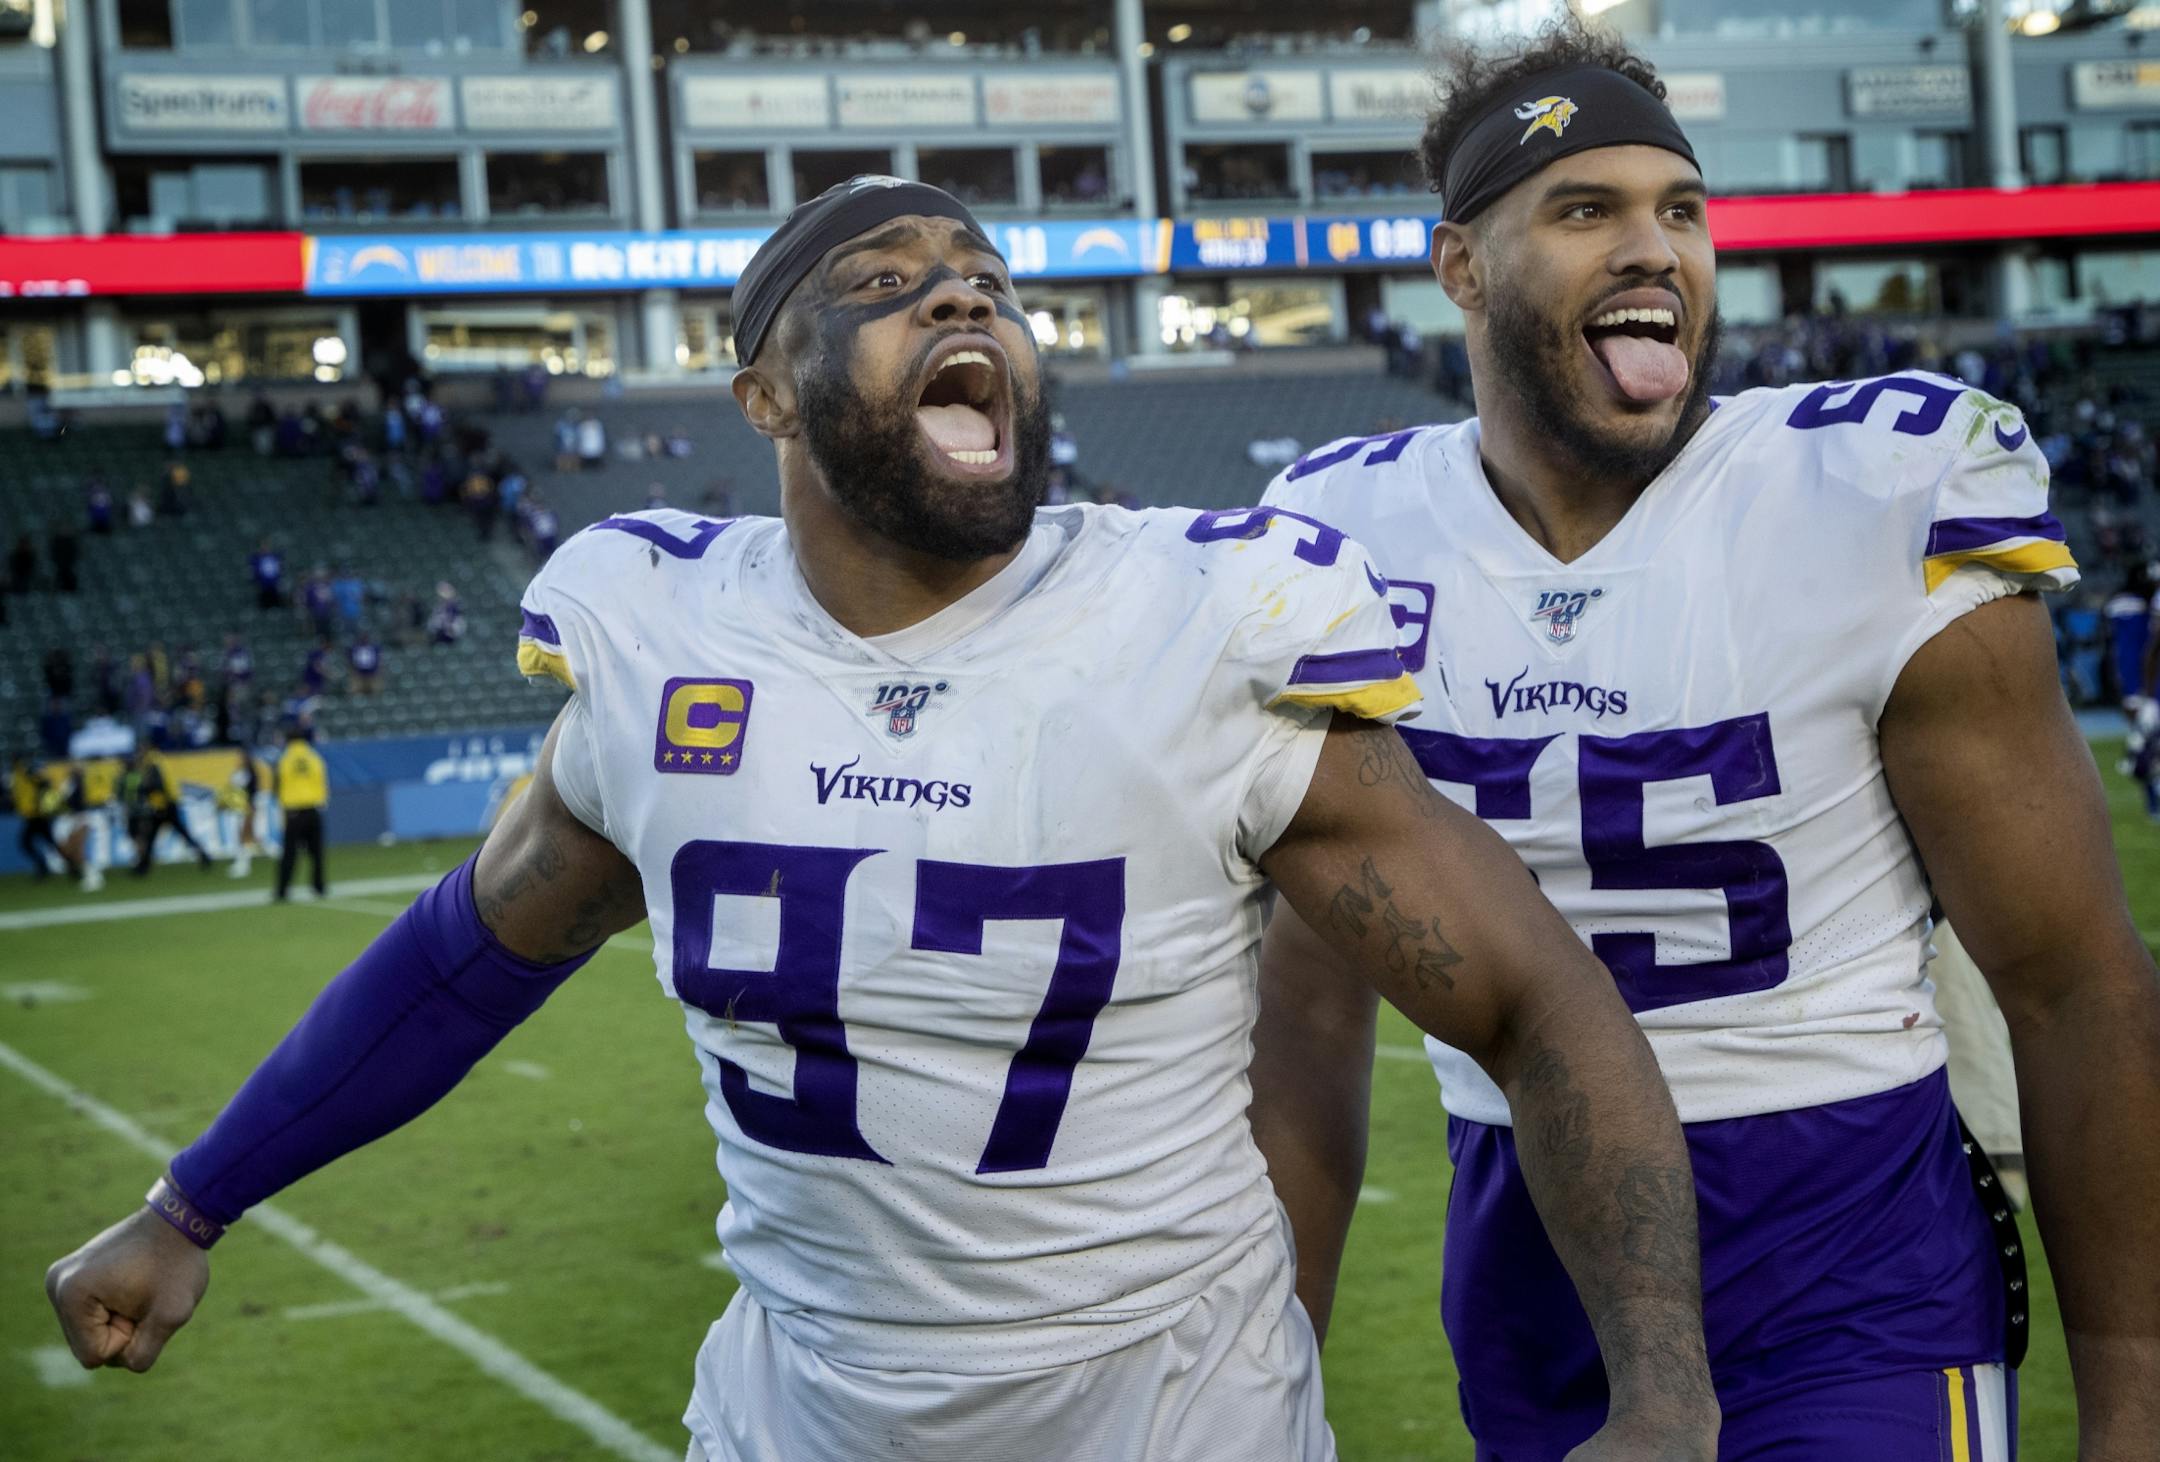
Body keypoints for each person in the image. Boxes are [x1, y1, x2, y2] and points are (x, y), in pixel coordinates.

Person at [44, 179, 1718, 1462]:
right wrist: (192, 1205)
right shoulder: (666, 645)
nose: (961, 299)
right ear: (765, 395)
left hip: (1168, 1410)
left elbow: (1537, 998)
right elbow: (460, 958)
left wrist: (1662, 1398)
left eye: (987, 285)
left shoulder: (1197, 626)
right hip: (804, 1410)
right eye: (887, 289)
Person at [1253, 22, 2160, 1460]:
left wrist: (2131, 1399)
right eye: (1584, 209)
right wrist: (1270, 1369)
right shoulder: (1341, 541)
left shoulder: (1865, 498)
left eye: (1681, 210)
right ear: (1461, 268)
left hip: (1842, 1241)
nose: (1653, 248)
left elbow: (2074, 985)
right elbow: (1307, 1006)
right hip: (1523, 1260)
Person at [121, 747, 211, 876]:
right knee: (160, 836)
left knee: (164, 836)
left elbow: (157, 786)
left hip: (164, 807)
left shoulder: (152, 766)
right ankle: (143, 866)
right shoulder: (154, 764)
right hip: (162, 806)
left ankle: (143, 867)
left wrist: (144, 789)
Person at [271, 726, 327, 901]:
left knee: (289, 853)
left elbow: (278, 783)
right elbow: (322, 780)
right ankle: (319, 887)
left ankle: (282, 890)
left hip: (294, 811)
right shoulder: (314, 757)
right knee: (316, 853)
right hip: (313, 808)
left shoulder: (285, 759)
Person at [12, 756, 80, 881]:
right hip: (33, 817)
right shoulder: (20, 776)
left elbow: (44, 784)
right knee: (48, 844)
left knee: (28, 843)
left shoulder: (27, 774)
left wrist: (41, 803)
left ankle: (50, 866)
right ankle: (70, 867)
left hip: (37, 816)